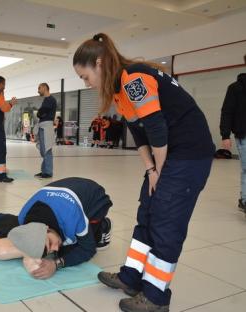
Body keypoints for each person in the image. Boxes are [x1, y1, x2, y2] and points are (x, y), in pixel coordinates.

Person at [73, 33, 214, 312]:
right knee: (147, 214)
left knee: (165, 222)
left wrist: (159, 171)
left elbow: (157, 129)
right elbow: (140, 135)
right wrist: (151, 170)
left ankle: (156, 297)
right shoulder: (119, 90)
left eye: (85, 76)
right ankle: (131, 278)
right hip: (169, 155)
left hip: (188, 155)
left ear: (99, 63)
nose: (86, 84)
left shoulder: (133, 79)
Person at [0, 177, 112, 279]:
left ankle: (103, 226)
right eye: (48, 248)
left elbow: (88, 250)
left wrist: (57, 264)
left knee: (69, 250)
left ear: (46, 228)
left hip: (95, 198)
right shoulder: (24, 217)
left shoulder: (72, 215)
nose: (54, 248)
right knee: (3, 225)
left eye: (50, 243)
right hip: (63, 192)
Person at [220, 55, 246, 214]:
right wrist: (225, 135)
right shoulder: (236, 88)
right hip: (244, 134)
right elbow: (227, 112)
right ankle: (244, 200)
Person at [34, 83, 57, 179]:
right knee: (44, 149)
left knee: (47, 149)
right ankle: (45, 170)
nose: (38, 90)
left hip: (46, 126)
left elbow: (41, 113)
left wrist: (40, 113)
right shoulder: (46, 100)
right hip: (43, 126)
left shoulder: (50, 100)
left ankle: (48, 172)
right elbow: (41, 113)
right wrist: (40, 113)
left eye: (39, 88)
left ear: (44, 87)